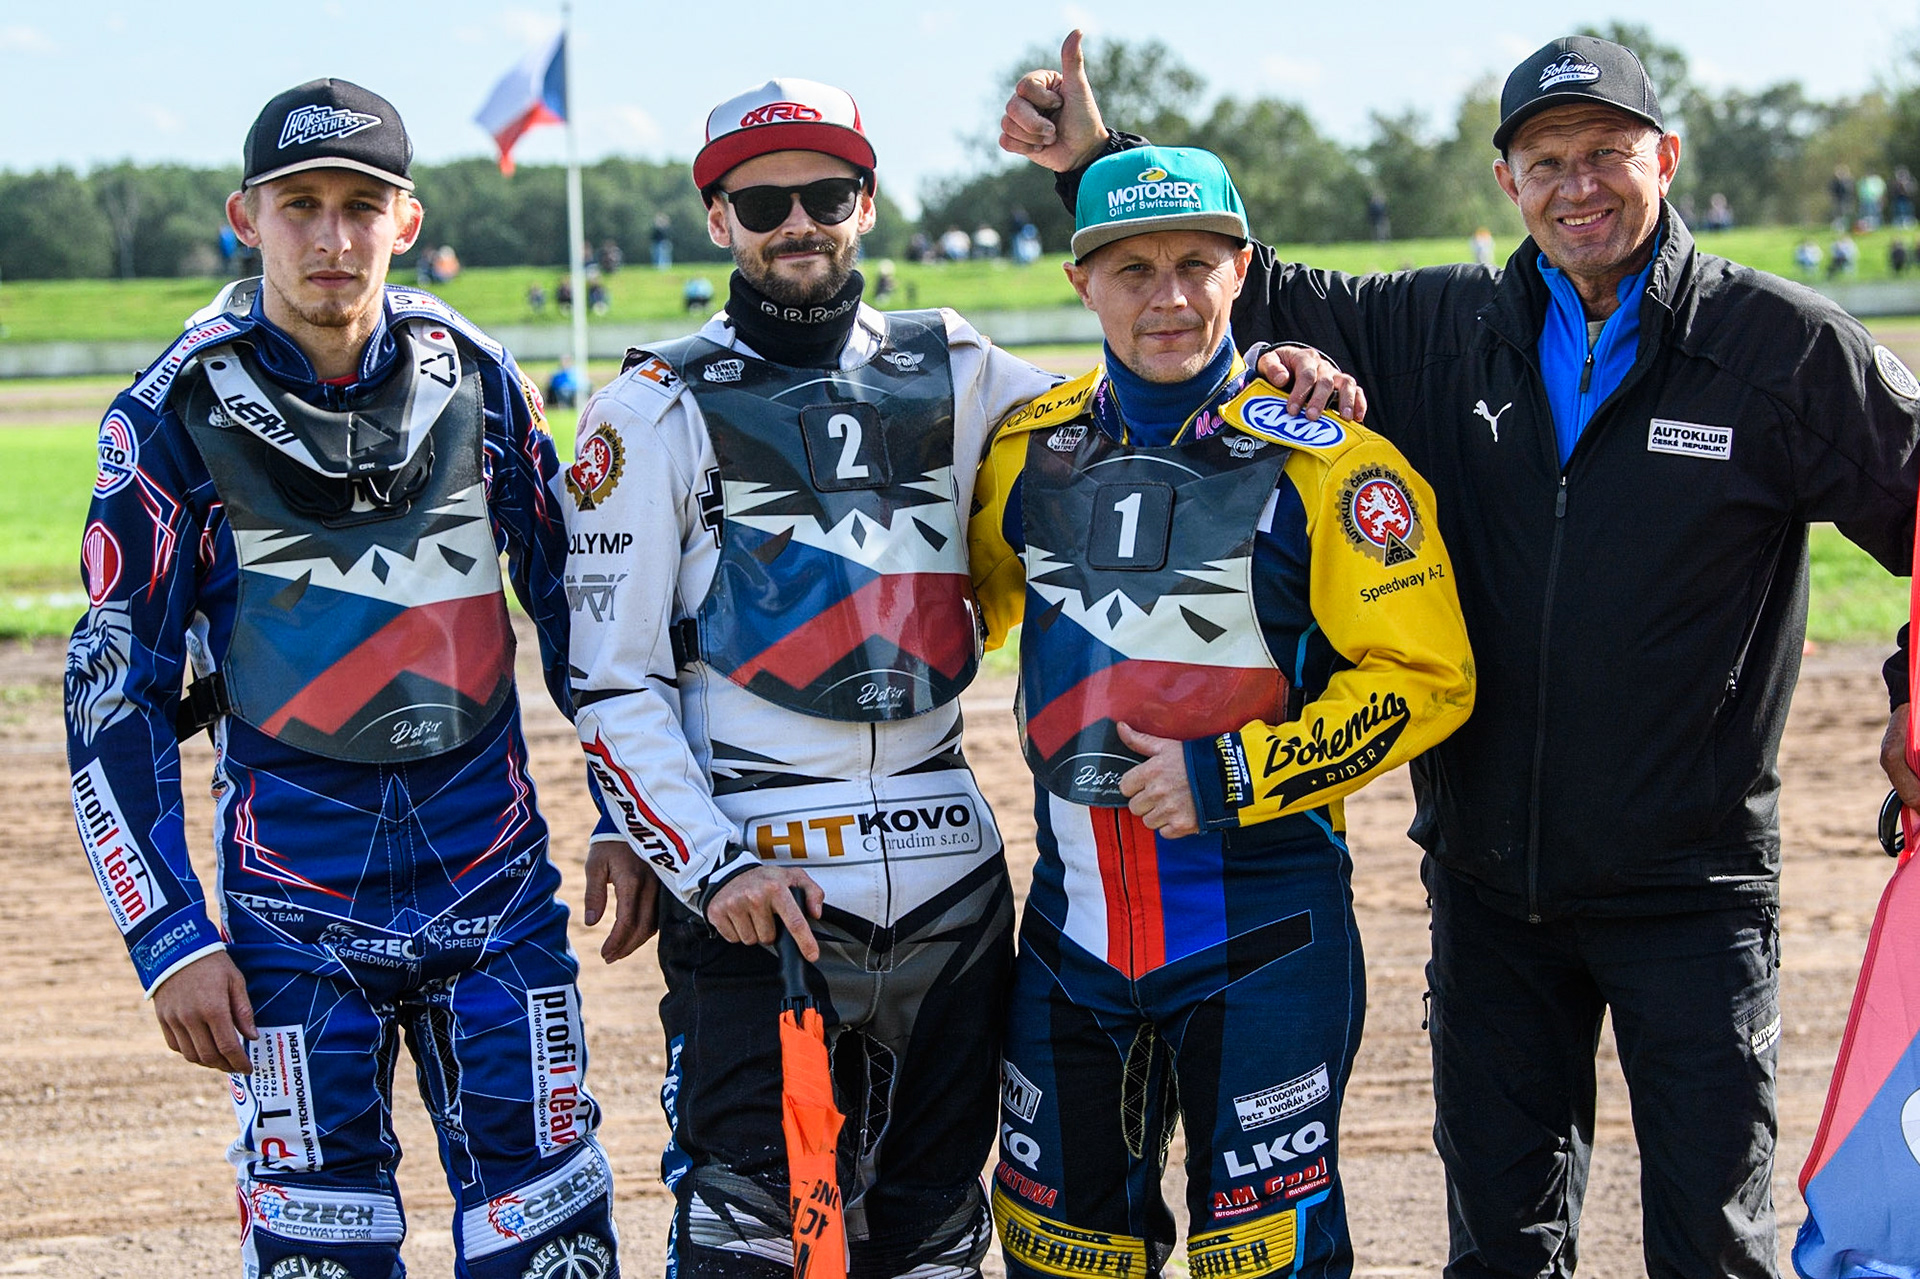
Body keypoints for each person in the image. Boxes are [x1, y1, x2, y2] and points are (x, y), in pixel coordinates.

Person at [1001, 30, 1920, 1279]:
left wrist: (1913, 690)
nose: (1577, 186)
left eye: (1606, 153)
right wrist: (1095, 160)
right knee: (1500, 1247)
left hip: (1691, 895)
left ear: (1668, 157)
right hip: (1489, 892)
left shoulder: (1779, 347)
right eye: (1546, 161)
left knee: (1711, 1245)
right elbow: (1217, 284)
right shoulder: (1442, 326)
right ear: (1508, 184)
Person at [61, 79, 630, 1279]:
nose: (331, 237)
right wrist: (168, 935)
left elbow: (590, 622)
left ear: (406, 221)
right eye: (300, 206)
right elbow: (114, 692)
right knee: (321, 1244)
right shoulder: (169, 414)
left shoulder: (479, 378)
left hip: (499, 895)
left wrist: (636, 817)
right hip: (289, 918)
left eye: (361, 206)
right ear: (245, 217)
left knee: (552, 1232)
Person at [564, 76, 1063, 1279]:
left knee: (938, 1231)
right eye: (766, 199)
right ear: (718, 217)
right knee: (753, 1238)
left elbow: (1149, 395)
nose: (799, 221)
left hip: (952, 885)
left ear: (868, 204)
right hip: (761, 896)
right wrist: (704, 858)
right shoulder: (650, 406)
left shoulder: (959, 365)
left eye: (827, 193)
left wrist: (1288, 372)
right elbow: (610, 683)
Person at [966, 145, 1475, 1279]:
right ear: (1080, 282)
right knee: (1058, 1256)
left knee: (1266, 1265)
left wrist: (1236, 775)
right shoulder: (1024, 449)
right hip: (1068, 938)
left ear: (1242, 269)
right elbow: (958, 610)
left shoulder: (1333, 462)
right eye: (1133, 269)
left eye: (1197, 263)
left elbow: (1428, 677)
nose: (1170, 296)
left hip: (1266, 936)